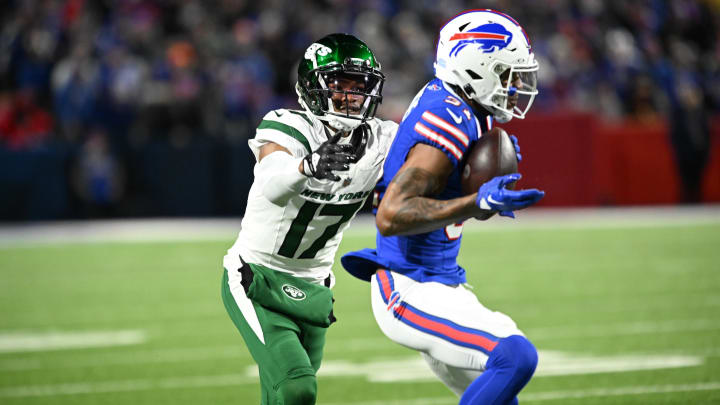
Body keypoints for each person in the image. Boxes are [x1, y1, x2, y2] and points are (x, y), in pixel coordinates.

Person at [341, 10, 545, 404]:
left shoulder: (462, 103)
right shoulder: (449, 117)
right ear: (475, 67)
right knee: (515, 357)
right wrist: (476, 200)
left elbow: (443, 196)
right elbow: (391, 216)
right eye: (506, 73)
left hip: (441, 284)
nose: (515, 84)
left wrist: (475, 195)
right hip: (410, 287)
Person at [220, 33, 397, 405]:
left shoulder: (383, 140)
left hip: (316, 286)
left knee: (283, 394)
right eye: (338, 85)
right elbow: (271, 182)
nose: (350, 96)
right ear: (312, 87)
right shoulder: (289, 125)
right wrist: (308, 165)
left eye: (359, 86)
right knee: (297, 387)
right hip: (259, 276)